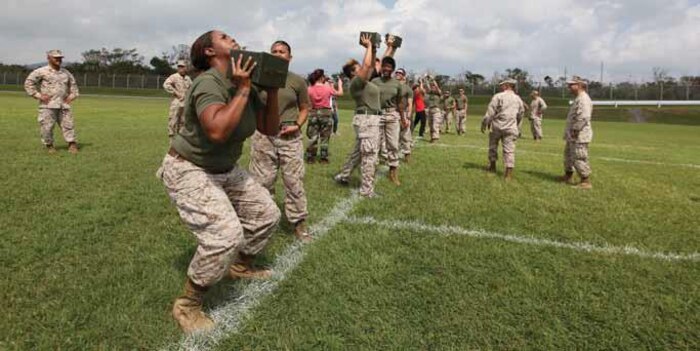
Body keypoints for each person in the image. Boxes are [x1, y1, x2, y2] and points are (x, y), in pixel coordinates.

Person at [158, 30, 281, 333]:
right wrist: (243, 88)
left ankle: (238, 268)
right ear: (209, 52)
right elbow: (216, 131)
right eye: (225, 37)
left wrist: (273, 89)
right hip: (189, 168)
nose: (234, 38)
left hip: (225, 168)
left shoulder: (245, 83)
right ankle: (187, 305)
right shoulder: (208, 82)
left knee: (267, 215)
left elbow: (269, 127)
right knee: (225, 235)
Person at [249, 40, 312, 243]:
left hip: (290, 137)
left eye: (282, 51)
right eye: (274, 51)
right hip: (263, 137)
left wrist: (298, 125)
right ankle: (263, 222)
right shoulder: (258, 80)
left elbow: (305, 108)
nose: (277, 54)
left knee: (293, 182)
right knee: (262, 182)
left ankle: (299, 224)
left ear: (289, 57)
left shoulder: (297, 81)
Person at [334, 34, 382, 198]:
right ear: (352, 74)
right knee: (369, 155)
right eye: (357, 68)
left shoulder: (365, 81)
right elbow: (367, 65)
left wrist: (373, 49)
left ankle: (343, 176)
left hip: (369, 119)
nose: (362, 68)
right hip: (367, 120)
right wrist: (368, 47)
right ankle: (367, 190)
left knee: (359, 152)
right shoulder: (356, 82)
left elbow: (371, 66)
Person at [24, 49, 80, 154]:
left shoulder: (66, 72)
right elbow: (28, 83)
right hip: (48, 105)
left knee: (68, 125)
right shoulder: (41, 71)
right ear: (49, 58)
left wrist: (72, 95)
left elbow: (73, 85)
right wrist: (38, 95)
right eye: (56, 58)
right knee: (47, 127)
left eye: (60, 58)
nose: (59, 60)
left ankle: (72, 145)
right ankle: (49, 145)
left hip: (63, 105)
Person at [481, 78, 525, 181]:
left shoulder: (498, 96)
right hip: (511, 127)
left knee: (493, 146)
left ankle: (492, 167)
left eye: (503, 85)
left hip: (497, 125)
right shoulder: (518, 99)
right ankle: (508, 174)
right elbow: (521, 113)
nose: (501, 86)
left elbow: (490, 112)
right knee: (509, 150)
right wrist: (516, 125)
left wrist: (485, 123)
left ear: (507, 85)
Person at [372, 56, 403, 185]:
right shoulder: (374, 81)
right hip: (377, 115)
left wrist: (404, 118)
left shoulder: (397, 84)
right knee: (374, 145)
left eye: (389, 67)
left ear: (392, 69)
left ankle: (393, 172)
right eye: (384, 66)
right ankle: (371, 171)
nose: (386, 69)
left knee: (393, 145)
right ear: (381, 67)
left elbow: (400, 102)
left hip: (392, 115)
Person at [561, 76, 593, 189]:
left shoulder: (583, 99)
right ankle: (568, 175)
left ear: (579, 85)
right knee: (568, 156)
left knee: (579, 157)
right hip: (573, 134)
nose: (569, 87)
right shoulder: (578, 98)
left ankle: (585, 181)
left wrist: (575, 130)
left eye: (571, 85)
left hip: (579, 134)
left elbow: (584, 117)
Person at [306, 69, 342, 163]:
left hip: (313, 113)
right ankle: (323, 158)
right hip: (326, 114)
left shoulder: (309, 88)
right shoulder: (327, 88)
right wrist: (340, 84)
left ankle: (310, 157)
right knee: (325, 137)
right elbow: (339, 93)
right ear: (322, 78)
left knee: (312, 137)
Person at [163, 60, 193, 138]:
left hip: (185, 102)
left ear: (186, 68)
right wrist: (175, 92)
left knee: (183, 121)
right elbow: (166, 85)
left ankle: (181, 137)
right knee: (173, 119)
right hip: (176, 101)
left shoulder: (188, 78)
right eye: (179, 67)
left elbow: (192, 88)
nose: (181, 69)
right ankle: (171, 137)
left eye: (183, 67)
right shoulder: (174, 77)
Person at [395, 68, 414, 162]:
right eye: (396, 72)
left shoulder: (408, 89)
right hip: (393, 112)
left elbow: (410, 103)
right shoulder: (392, 86)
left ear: (403, 75)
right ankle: (393, 156)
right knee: (394, 136)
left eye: (400, 73)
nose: (397, 74)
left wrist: (408, 116)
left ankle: (407, 154)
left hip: (404, 112)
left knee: (405, 135)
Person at [426, 78, 443, 143]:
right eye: (432, 86)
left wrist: (433, 79)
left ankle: (435, 138)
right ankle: (432, 137)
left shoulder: (438, 93)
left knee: (435, 125)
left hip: (436, 110)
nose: (432, 87)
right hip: (430, 110)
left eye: (433, 86)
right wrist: (426, 79)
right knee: (430, 125)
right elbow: (427, 86)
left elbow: (437, 86)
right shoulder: (430, 93)